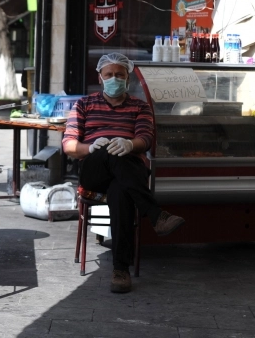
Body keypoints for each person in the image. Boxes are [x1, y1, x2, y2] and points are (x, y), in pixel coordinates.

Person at [62, 52, 185, 293]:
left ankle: (120, 271)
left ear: (128, 78)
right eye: (109, 75)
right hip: (94, 171)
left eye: (120, 74)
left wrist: (130, 144)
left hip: (128, 173)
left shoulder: (139, 106)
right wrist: (91, 147)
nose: (114, 78)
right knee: (108, 150)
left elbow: (146, 139)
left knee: (120, 192)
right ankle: (156, 214)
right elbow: (69, 146)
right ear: (100, 77)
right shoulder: (84, 104)